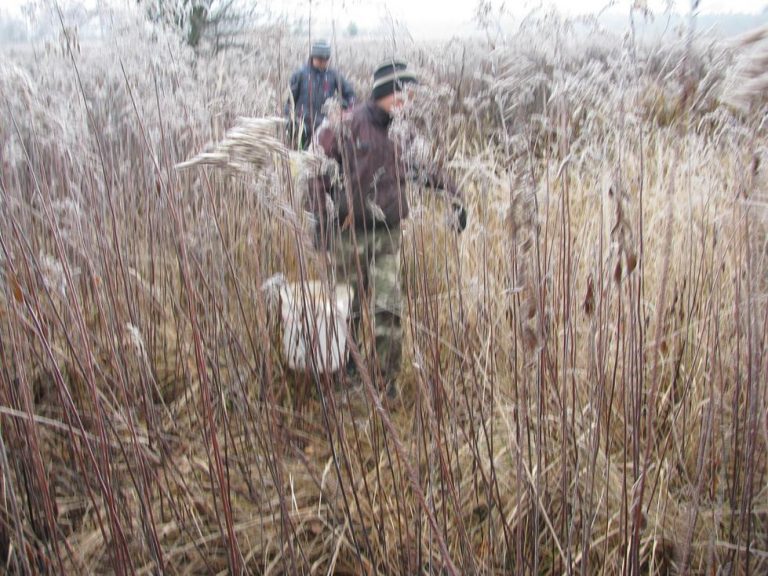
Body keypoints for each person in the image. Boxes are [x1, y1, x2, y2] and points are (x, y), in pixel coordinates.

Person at [307, 59, 467, 392]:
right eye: (402, 93)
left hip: (388, 235)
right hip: (349, 233)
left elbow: (423, 169)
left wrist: (455, 197)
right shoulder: (346, 125)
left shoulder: (403, 130)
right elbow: (315, 173)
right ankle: (344, 373)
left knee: (389, 309)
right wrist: (321, 224)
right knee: (345, 308)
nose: (407, 101)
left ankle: (385, 381)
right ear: (385, 93)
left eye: (410, 95)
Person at [284, 39, 356, 150]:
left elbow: (351, 95)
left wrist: (343, 107)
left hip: (325, 126)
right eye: (319, 59)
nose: (323, 62)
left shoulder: (333, 75)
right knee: (300, 156)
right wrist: (289, 121)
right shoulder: (300, 75)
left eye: (326, 59)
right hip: (303, 126)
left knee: (323, 158)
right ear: (313, 57)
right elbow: (289, 101)